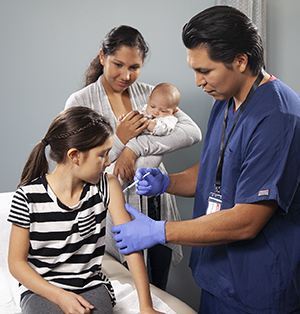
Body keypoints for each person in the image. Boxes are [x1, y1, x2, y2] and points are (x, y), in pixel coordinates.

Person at [111, 6, 300, 314]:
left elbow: (247, 221)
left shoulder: (278, 116)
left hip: (258, 287)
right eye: (194, 71)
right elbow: (217, 171)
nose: (198, 82)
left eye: (205, 71)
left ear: (240, 61)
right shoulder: (225, 100)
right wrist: (168, 183)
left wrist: (159, 231)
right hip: (217, 277)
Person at [65, 25, 201, 291]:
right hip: (114, 211)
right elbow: (77, 166)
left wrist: (134, 148)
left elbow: (191, 132)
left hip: (157, 204)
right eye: (118, 64)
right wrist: (119, 140)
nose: (126, 75)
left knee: (158, 286)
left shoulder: (152, 95)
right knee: (125, 287)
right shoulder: (81, 102)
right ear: (102, 57)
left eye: (134, 67)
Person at [7, 106, 164, 314]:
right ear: (75, 156)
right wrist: (61, 297)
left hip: (90, 285)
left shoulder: (107, 186)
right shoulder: (27, 196)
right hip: (42, 290)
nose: (108, 162)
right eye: (103, 155)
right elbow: (16, 263)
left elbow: (130, 245)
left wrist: (146, 306)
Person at [119, 82, 180, 170]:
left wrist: (147, 123)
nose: (155, 112)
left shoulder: (169, 119)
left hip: (151, 152)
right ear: (149, 100)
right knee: (121, 167)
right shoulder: (145, 110)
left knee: (140, 170)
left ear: (174, 112)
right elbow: (135, 118)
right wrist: (126, 119)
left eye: (163, 111)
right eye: (152, 106)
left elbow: (162, 130)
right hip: (132, 146)